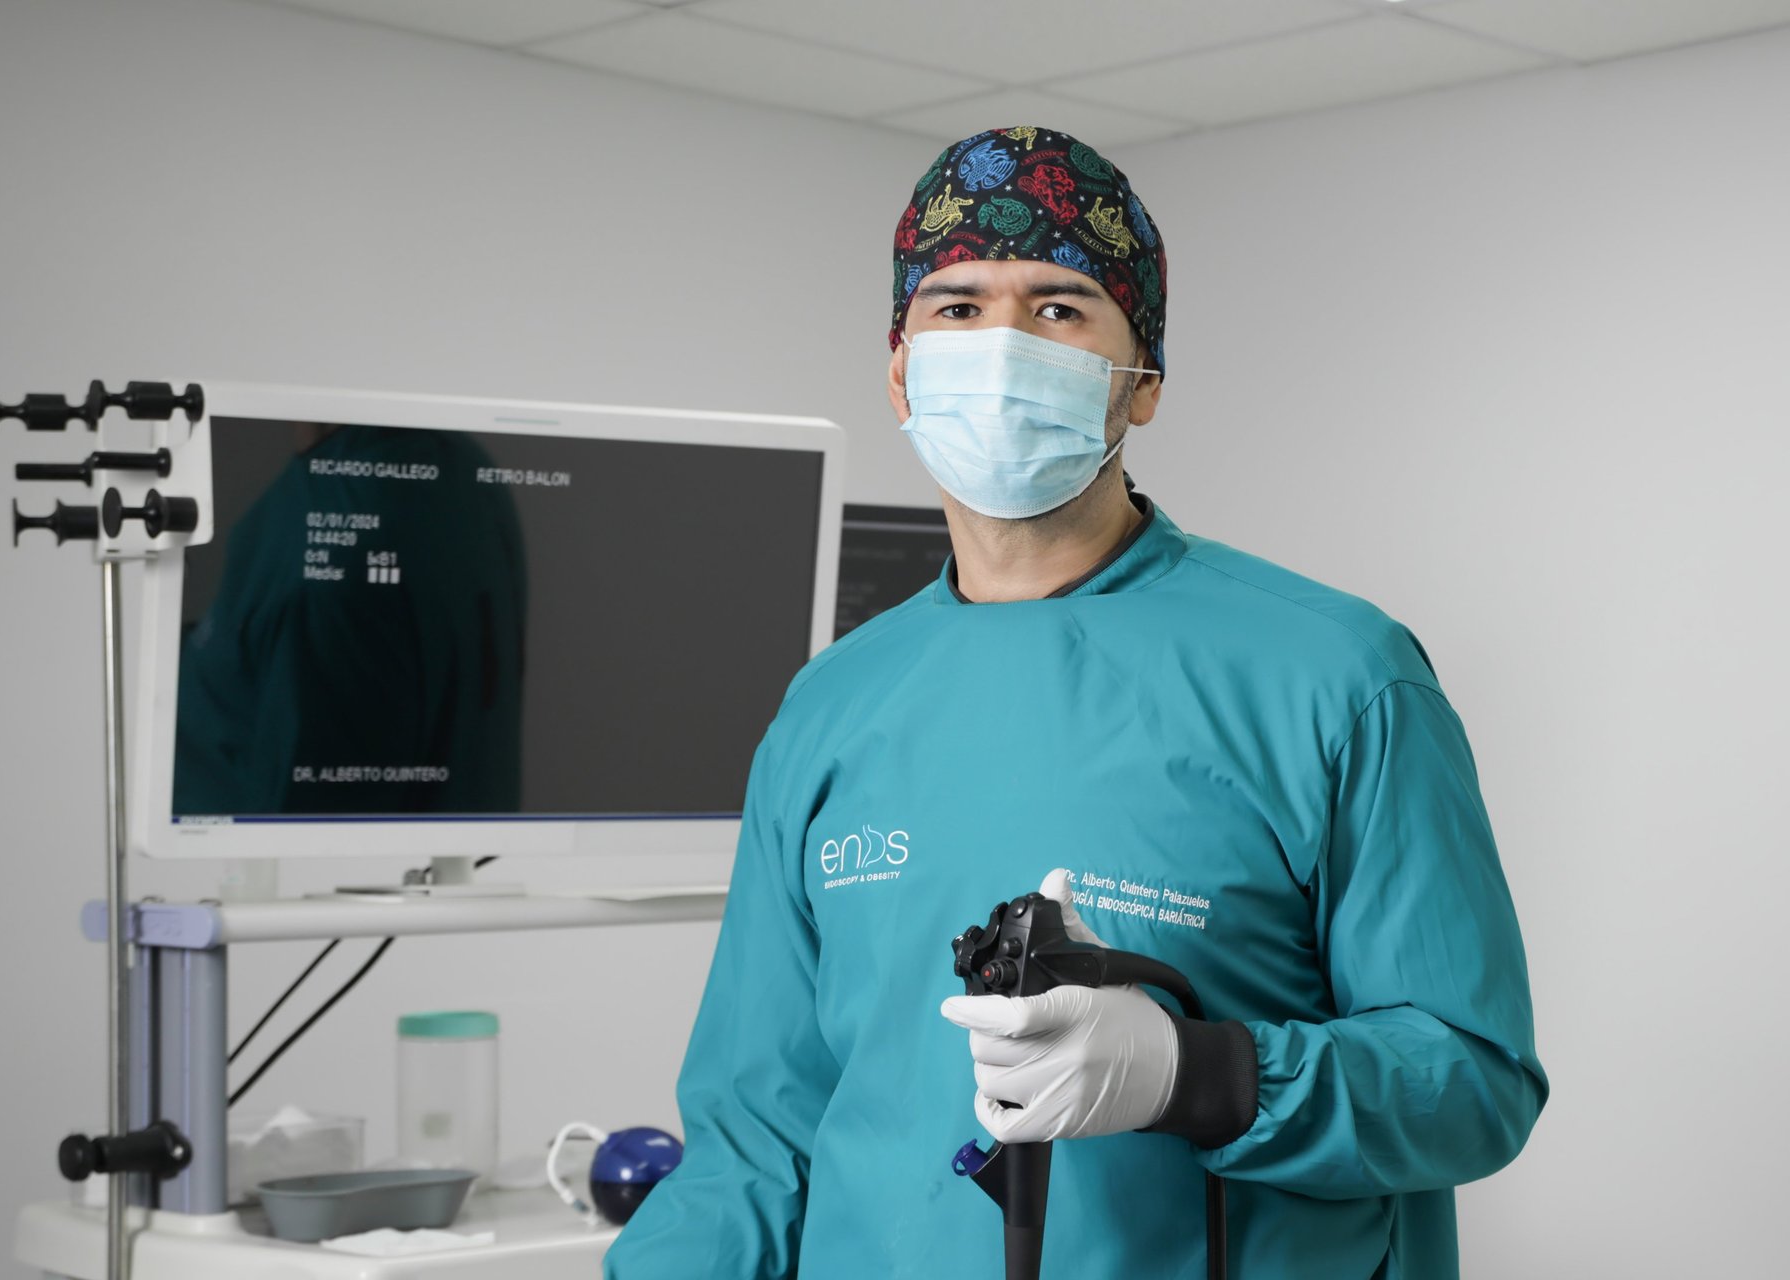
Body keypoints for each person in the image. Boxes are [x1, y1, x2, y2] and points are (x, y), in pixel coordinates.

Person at [604, 126, 1546, 1279]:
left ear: (1139, 380)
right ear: (901, 368)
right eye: (955, 308)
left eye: (1058, 307)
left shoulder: (1337, 673)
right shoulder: (829, 706)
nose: (998, 344)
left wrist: (1189, 1073)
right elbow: (756, 1144)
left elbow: (1472, 1081)